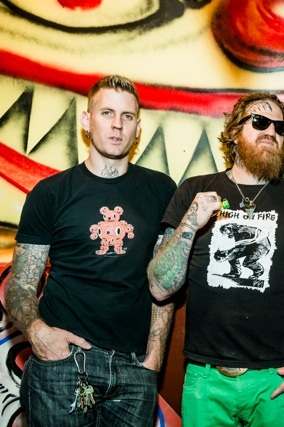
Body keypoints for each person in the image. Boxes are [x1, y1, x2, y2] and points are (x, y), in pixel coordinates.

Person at [147, 92, 284, 427]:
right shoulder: (194, 191)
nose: (271, 132)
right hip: (206, 380)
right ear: (234, 132)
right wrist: (190, 222)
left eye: (280, 127)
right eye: (260, 122)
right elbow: (160, 287)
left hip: (278, 381)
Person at [4, 75, 177, 426]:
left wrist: (154, 358)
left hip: (134, 368)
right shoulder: (50, 193)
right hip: (63, 363)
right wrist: (39, 334)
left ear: (138, 127)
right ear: (87, 120)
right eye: (107, 113)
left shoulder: (161, 190)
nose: (117, 125)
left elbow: (164, 282)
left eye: (127, 116)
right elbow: (20, 284)